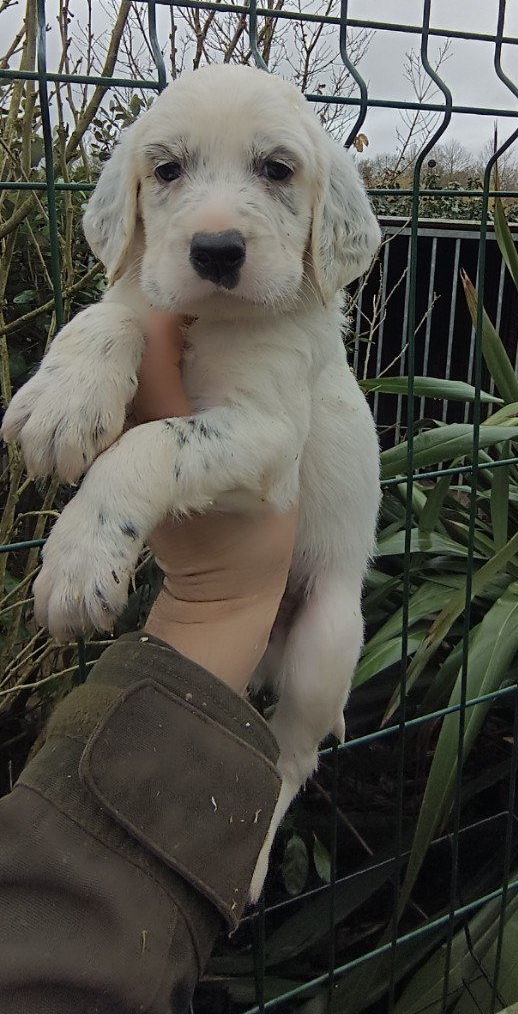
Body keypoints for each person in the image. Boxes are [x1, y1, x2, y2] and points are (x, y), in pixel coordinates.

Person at [0, 313, 298, 1013]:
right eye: (164, 189)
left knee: (305, 717)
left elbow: (268, 435)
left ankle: (269, 819)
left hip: (290, 552)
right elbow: (131, 306)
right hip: (228, 590)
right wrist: (89, 350)